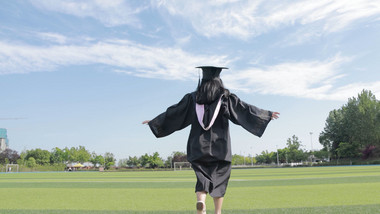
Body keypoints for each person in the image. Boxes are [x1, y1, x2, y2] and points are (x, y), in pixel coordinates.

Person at [142, 66, 279, 214]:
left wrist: (155, 122)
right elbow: (244, 109)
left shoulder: (193, 98)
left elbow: (175, 113)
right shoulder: (225, 98)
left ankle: (201, 201)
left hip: (197, 145)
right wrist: (266, 114)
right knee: (220, 176)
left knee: (202, 175)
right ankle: (218, 211)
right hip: (220, 145)